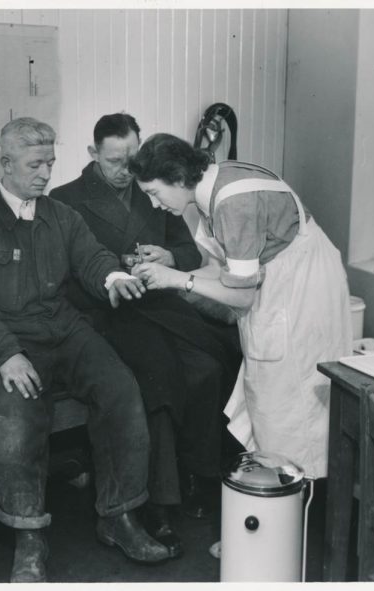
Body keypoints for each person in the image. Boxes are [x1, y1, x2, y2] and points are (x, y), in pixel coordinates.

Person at [0, 118, 170, 583]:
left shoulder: (62, 217)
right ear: (5, 164)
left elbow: (91, 259)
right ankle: (29, 539)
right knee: (17, 414)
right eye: (35, 164)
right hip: (9, 341)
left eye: (50, 162)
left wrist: (114, 278)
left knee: (121, 388)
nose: (46, 173)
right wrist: (6, 354)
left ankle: (120, 516)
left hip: (64, 331)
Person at [50, 114, 241, 558]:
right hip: (111, 314)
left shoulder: (153, 190)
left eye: (132, 159)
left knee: (210, 365)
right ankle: (158, 503)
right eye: (115, 160)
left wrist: (169, 254)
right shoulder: (66, 200)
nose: (125, 169)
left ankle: (198, 474)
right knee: (157, 381)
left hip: (163, 304)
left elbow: (192, 250)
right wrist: (113, 276)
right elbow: (65, 278)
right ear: (93, 154)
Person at [128, 133, 353, 481]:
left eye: (154, 193)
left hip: (300, 293)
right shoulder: (214, 185)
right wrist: (173, 271)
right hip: (282, 284)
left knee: (288, 406)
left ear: (176, 178)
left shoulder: (234, 202)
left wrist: (176, 280)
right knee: (270, 398)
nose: (155, 205)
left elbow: (240, 296)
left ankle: (293, 510)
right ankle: (277, 509)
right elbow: (227, 269)